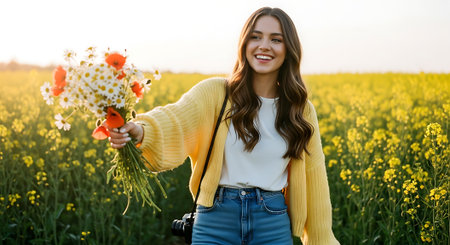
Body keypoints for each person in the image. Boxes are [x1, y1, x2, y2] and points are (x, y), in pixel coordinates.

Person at [109, 7, 339, 245]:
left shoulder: (299, 108)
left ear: (288, 48)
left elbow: (315, 179)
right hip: (215, 220)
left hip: (272, 222)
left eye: (276, 39)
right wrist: (141, 131)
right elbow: (175, 119)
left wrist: (322, 238)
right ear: (244, 43)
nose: (264, 46)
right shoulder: (215, 93)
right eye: (256, 36)